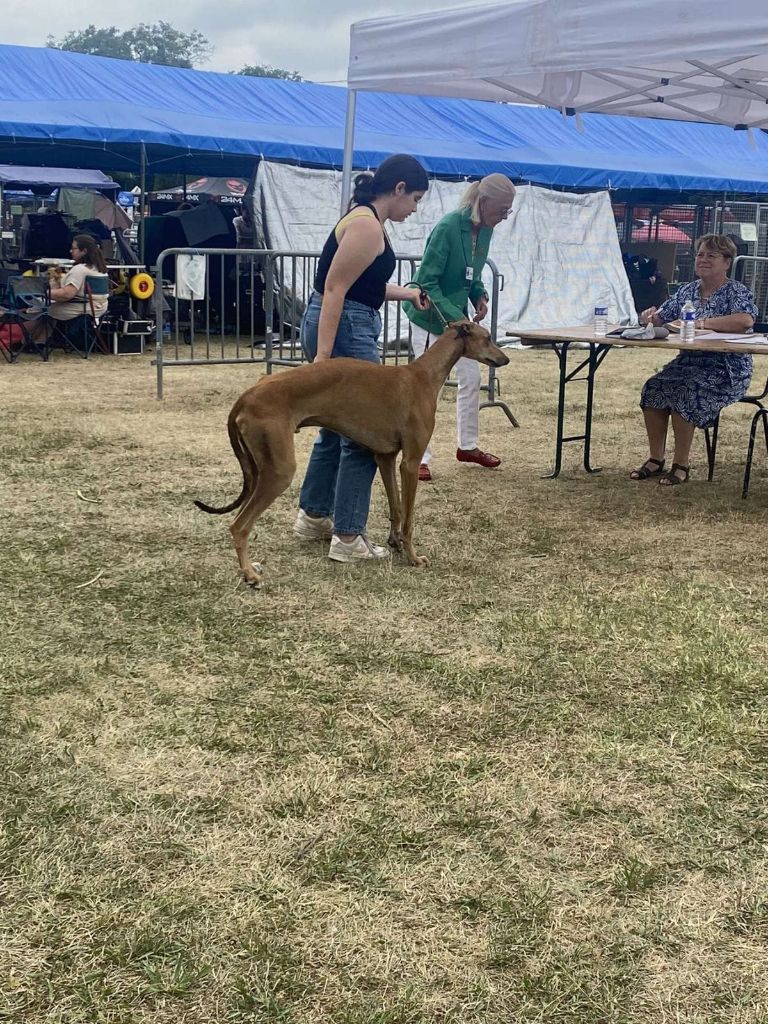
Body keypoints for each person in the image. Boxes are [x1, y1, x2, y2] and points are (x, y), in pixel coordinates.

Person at [293, 154, 430, 563]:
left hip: (341, 320)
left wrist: (407, 293)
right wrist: (322, 358)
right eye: (416, 199)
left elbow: (361, 284)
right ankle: (349, 537)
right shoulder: (369, 226)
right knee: (364, 434)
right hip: (345, 326)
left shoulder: (363, 219)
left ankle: (314, 516)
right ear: (399, 189)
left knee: (335, 427)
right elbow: (336, 290)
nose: (415, 208)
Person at [403, 173, 515, 481]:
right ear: (484, 202)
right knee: (427, 388)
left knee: (471, 377)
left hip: (460, 321)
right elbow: (427, 281)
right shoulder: (448, 227)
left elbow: (472, 273)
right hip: (430, 317)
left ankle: (467, 446)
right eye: (503, 209)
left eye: (509, 210)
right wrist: (457, 318)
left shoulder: (486, 230)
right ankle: (419, 457)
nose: (505, 216)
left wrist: (480, 293)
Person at [630, 234, 758, 486]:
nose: (703, 260)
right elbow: (662, 317)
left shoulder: (737, 291)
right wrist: (651, 318)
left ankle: (681, 465)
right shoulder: (687, 290)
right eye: (700, 254)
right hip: (687, 363)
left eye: (711, 255)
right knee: (653, 388)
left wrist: (699, 322)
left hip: (726, 369)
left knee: (686, 391)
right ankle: (656, 459)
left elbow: (745, 320)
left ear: (727, 262)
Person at [30, 234, 109, 343]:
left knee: (40, 307)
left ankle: (32, 342)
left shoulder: (80, 269)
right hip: (99, 308)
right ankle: (37, 342)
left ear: (84, 251)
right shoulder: (100, 269)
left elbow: (67, 294)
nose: (71, 251)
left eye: (74, 248)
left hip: (83, 308)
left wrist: (44, 292)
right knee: (46, 307)